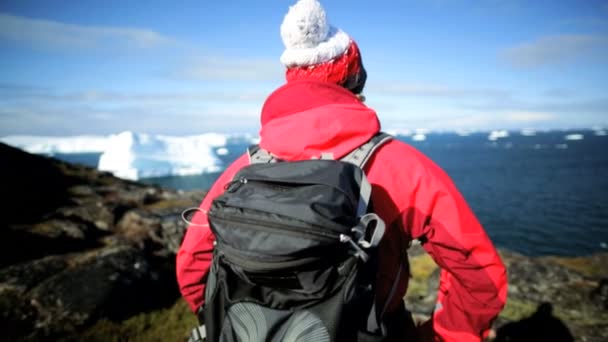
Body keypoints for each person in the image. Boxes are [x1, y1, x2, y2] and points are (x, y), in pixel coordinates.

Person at [176, 0, 507, 341]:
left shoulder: (244, 169)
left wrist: (233, 325)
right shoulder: (401, 166)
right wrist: (442, 335)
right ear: (355, 78)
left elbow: (193, 265)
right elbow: (480, 277)